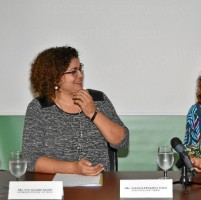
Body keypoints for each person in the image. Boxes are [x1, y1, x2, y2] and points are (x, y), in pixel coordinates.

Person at [22, 46, 129, 176]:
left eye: (80, 68)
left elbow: (122, 141)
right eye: (73, 71)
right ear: (55, 78)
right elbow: (30, 159)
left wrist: (92, 113)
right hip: (55, 187)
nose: (80, 74)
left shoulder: (98, 99)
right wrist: (73, 168)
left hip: (99, 186)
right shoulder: (39, 108)